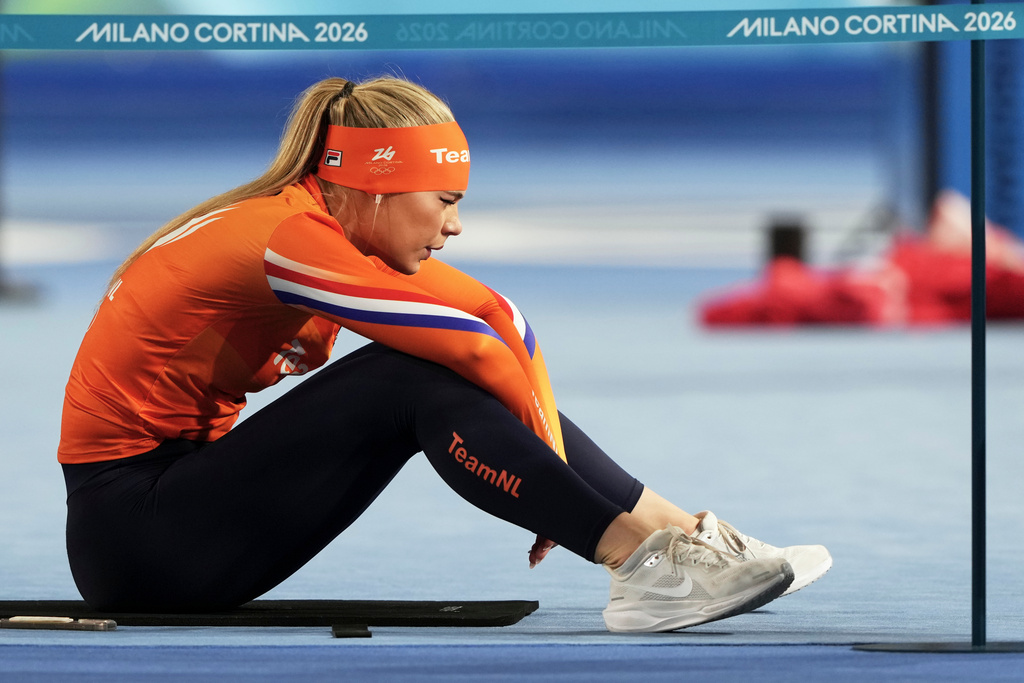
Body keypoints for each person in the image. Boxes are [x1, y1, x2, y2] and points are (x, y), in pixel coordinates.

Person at [58, 75, 831, 633]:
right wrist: (553, 492)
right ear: (376, 189)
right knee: (411, 370)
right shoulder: (285, 238)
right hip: (138, 534)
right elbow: (474, 347)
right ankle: (637, 564)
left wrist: (547, 472)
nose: (454, 227)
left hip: (177, 509)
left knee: (427, 359)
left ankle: (683, 537)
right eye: (447, 201)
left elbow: (503, 317)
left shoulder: (306, 221)